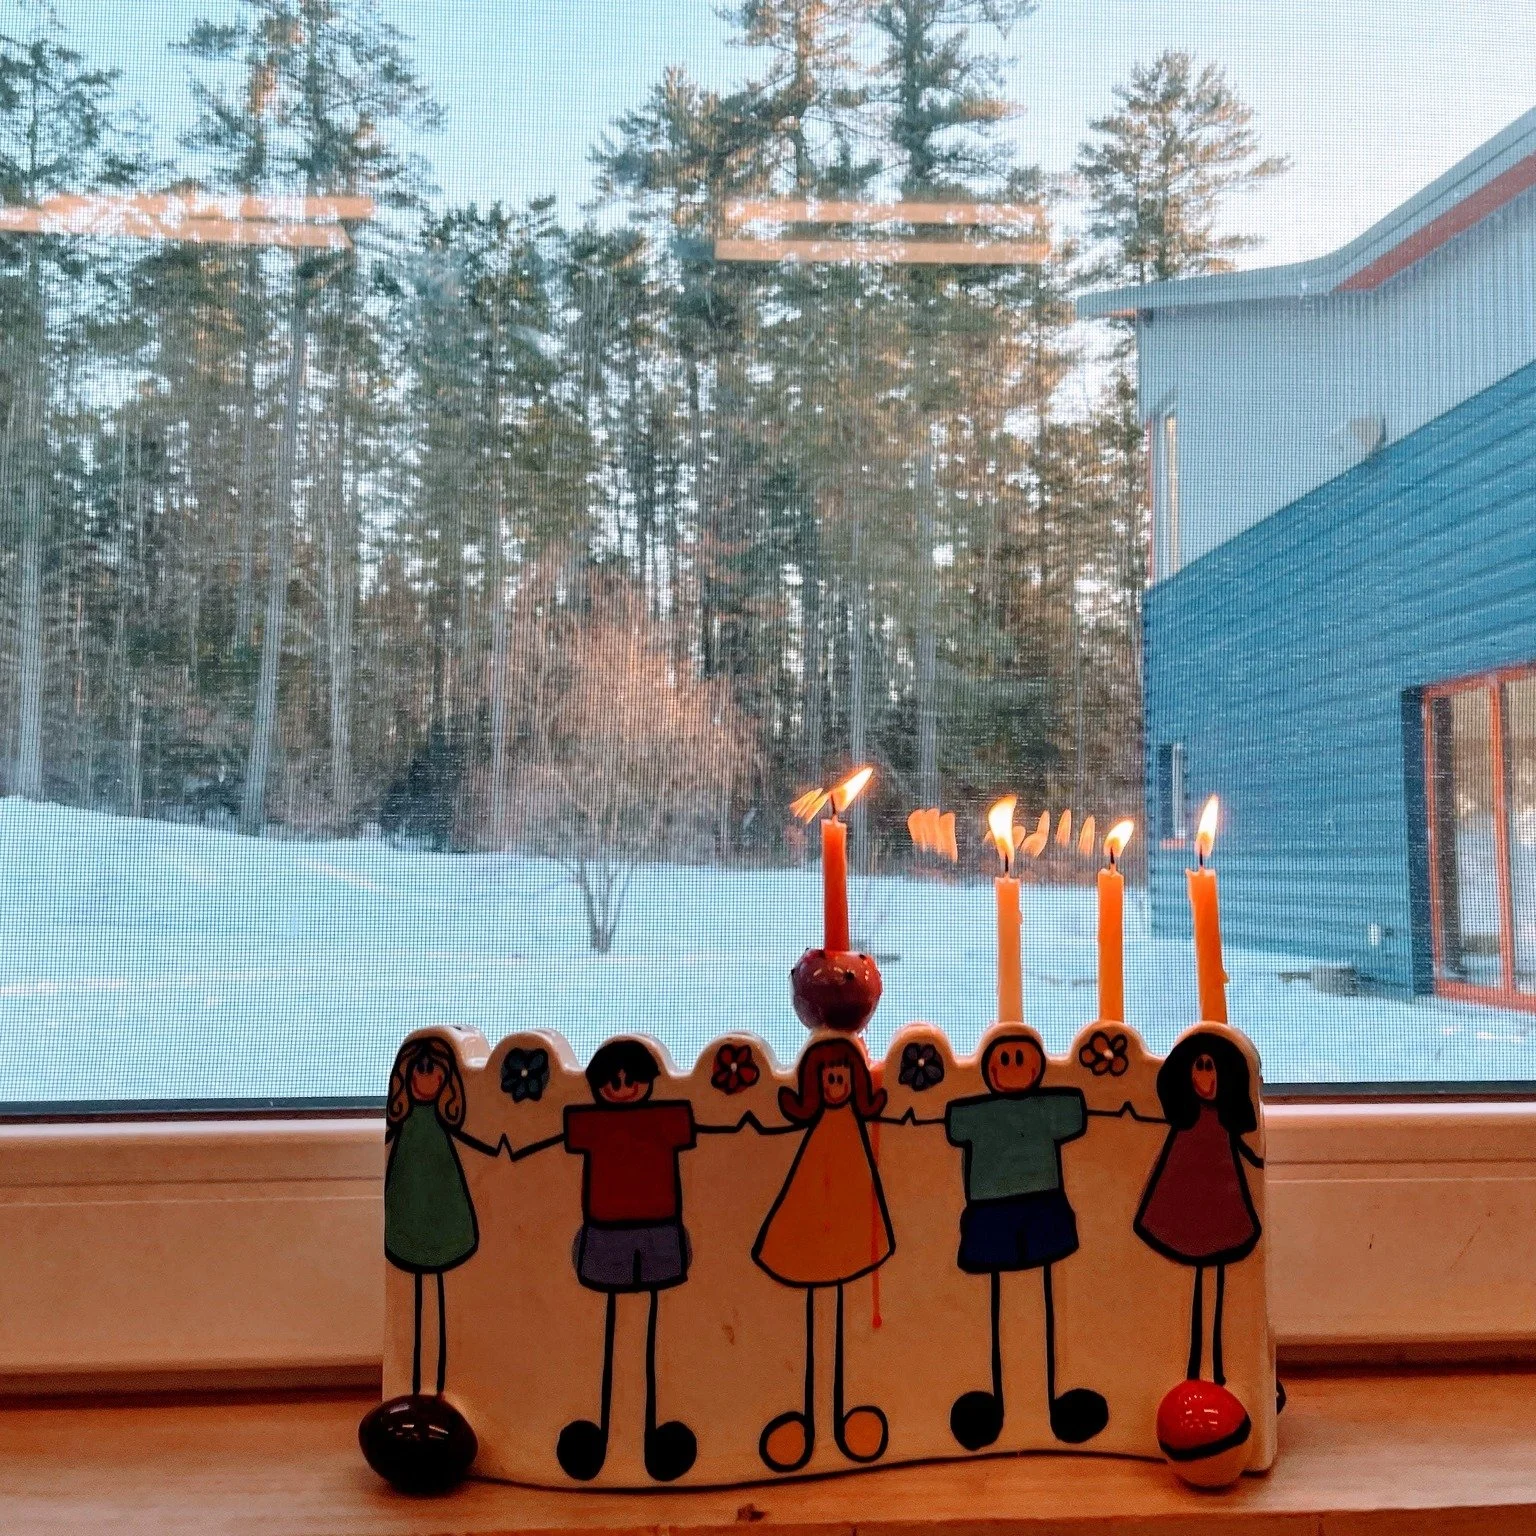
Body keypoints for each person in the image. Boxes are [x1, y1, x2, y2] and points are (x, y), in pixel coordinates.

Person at [943, 1030, 1109, 1449]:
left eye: (1020, 1059)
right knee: (999, 1306)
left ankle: (1054, 1400)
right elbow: (949, 1121)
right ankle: (996, 1401)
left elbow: (1081, 1110)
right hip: (994, 1215)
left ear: (1036, 1068)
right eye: (1005, 1059)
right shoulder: (976, 1115)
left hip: (1040, 1208)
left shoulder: (1048, 1109)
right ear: (989, 1068)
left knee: (1047, 1302)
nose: (1012, 1067)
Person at [554, 1038, 699, 1483]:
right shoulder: (591, 1124)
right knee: (616, 1330)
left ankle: (651, 1432)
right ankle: (605, 1431)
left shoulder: (665, 1119)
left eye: (630, 1081)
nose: (621, 1089)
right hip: (609, 1233)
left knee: (649, 1332)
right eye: (612, 1082)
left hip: (653, 1231)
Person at [751, 1037, 894, 1473]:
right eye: (830, 1078)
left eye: (843, 1076)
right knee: (816, 1314)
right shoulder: (823, 1131)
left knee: (838, 1317)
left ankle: (838, 1417)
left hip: (846, 1221)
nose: (837, 1085)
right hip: (816, 1223)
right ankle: (810, 1420)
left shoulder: (851, 1127)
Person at [1134, 1030, 1263, 1388]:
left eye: (1214, 1068)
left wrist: (1259, 1160)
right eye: (1200, 1067)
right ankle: (1192, 1369)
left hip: (1222, 1204)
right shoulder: (1186, 1123)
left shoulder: (1224, 1121)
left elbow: (1246, 1151)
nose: (1207, 1078)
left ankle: (1220, 1370)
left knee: (1219, 1283)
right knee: (1193, 1284)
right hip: (1187, 1199)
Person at [384, 1035, 499, 1398]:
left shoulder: (436, 1125)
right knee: (416, 1296)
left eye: (436, 1072)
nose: (430, 1079)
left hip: (440, 1206)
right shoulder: (405, 1129)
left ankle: (438, 1388)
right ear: (408, 1075)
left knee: (441, 1294)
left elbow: (468, 1142)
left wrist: (498, 1149)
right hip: (412, 1206)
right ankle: (417, 1387)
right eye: (422, 1070)